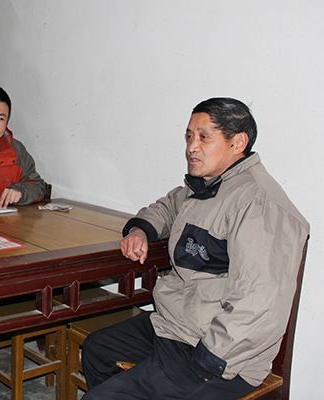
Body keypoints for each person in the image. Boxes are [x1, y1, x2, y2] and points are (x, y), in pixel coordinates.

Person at [81, 98, 309, 400]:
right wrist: (140, 230)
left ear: (238, 143)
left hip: (218, 354)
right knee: (97, 349)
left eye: (204, 137)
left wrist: (207, 360)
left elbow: (259, 304)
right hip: (176, 326)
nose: (192, 147)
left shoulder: (259, 204)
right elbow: (167, 206)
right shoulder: (208, 186)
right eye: (189, 136)